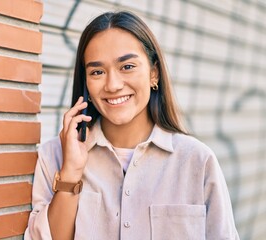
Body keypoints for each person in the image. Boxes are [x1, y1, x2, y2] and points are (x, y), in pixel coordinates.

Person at [24, 11, 239, 240]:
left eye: (127, 66)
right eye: (97, 72)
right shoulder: (54, 156)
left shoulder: (197, 161)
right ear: (85, 82)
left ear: (153, 73)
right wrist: (70, 174)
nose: (113, 85)